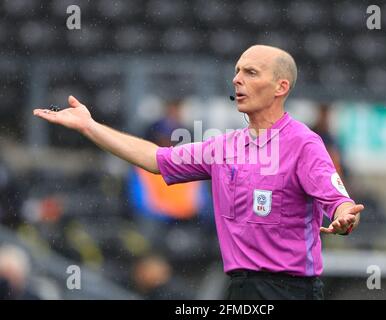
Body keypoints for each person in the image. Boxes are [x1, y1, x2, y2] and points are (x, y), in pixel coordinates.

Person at [33, 44, 364, 300]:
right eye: (236, 71)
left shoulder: (304, 144)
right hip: (241, 289)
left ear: (280, 87)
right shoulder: (222, 147)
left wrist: (345, 216)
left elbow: (339, 202)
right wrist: (90, 127)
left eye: (250, 72)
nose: (237, 79)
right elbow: (155, 158)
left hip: (292, 290)